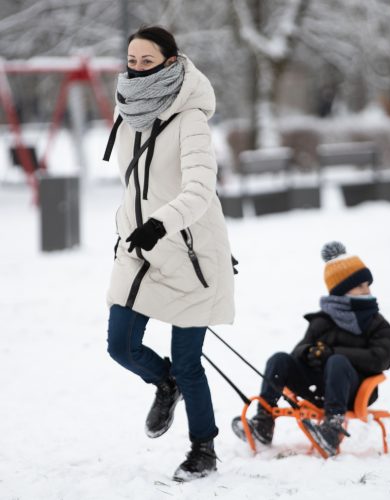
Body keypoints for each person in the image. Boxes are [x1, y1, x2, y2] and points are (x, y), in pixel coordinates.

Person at [103, 25, 235, 482]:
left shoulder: (191, 118)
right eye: (132, 60)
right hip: (138, 248)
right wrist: (129, 228)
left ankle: (203, 449)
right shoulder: (126, 112)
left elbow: (201, 189)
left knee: (188, 360)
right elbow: (132, 187)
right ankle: (165, 385)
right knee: (120, 345)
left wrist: (161, 222)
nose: (137, 68)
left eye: (148, 61)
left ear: (171, 62)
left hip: (188, 250)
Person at [232, 241, 390, 456]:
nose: (368, 290)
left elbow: (382, 358)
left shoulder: (376, 323)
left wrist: (334, 354)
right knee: (280, 359)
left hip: (354, 391)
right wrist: (310, 353)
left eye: (367, 284)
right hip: (316, 389)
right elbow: (297, 354)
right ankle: (263, 422)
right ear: (341, 290)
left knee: (337, 362)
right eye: (360, 286)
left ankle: (332, 428)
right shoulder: (322, 321)